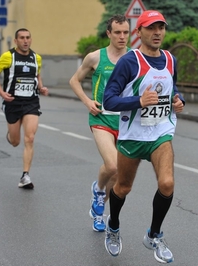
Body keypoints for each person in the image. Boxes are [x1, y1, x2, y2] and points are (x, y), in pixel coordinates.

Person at [102, 10, 185, 263]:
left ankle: (154, 235)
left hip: (160, 132)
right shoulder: (130, 62)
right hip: (132, 136)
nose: (157, 32)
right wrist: (138, 100)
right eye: (151, 28)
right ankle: (113, 225)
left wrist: (179, 100)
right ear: (139, 33)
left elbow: (173, 88)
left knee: (167, 184)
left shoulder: (170, 59)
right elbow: (109, 99)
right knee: (123, 187)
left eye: (161, 27)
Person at [69, 15, 130, 232]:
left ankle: (100, 212)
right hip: (101, 117)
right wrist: (87, 102)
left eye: (126, 32)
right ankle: (98, 188)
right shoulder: (95, 57)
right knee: (112, 165)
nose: (122, 37)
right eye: (118, 32)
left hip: (125, 122)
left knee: (118, 174)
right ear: (109, 34)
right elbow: (74, 80)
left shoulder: (135, 58)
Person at [0, 28, 48, 189]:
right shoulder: (8, 56)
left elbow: (37, 75)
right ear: (15, 41)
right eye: (22, 38)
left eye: (28, 37)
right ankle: (10, 135)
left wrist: (41, 87)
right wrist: (2, 93)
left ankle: (25, 176)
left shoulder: (37, 58)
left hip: (31, 102)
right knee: (15, 142)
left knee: (29, 138)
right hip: (12, 103)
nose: (25, 41)